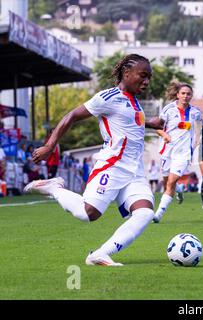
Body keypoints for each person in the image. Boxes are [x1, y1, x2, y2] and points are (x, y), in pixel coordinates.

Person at [23, 54, 164, 266]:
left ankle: (99, 254)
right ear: (127, 74)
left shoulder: (135, 102)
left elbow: (128, 125)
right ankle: (54, 188)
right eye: (143, 76)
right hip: (112, 166)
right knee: (87, 214)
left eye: (149, 77)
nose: (147, 81)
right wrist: (50, 146)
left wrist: (151, 124)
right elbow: (71, 116)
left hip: (134, 172)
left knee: (144, 213)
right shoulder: (108, 98)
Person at [153, 81, 202, 223]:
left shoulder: (195, 112)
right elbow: (157, 127)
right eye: (183, 93)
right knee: (167, 181)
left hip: (183, 153)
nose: (186, 96)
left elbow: (198, 128)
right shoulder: (168, 110)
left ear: (191, 95)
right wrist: (164, 135)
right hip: (167, 151)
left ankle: (158, 214)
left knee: (170, 183)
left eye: (188, 94)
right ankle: (179, 189)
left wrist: (196, 142)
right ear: (177, 94)